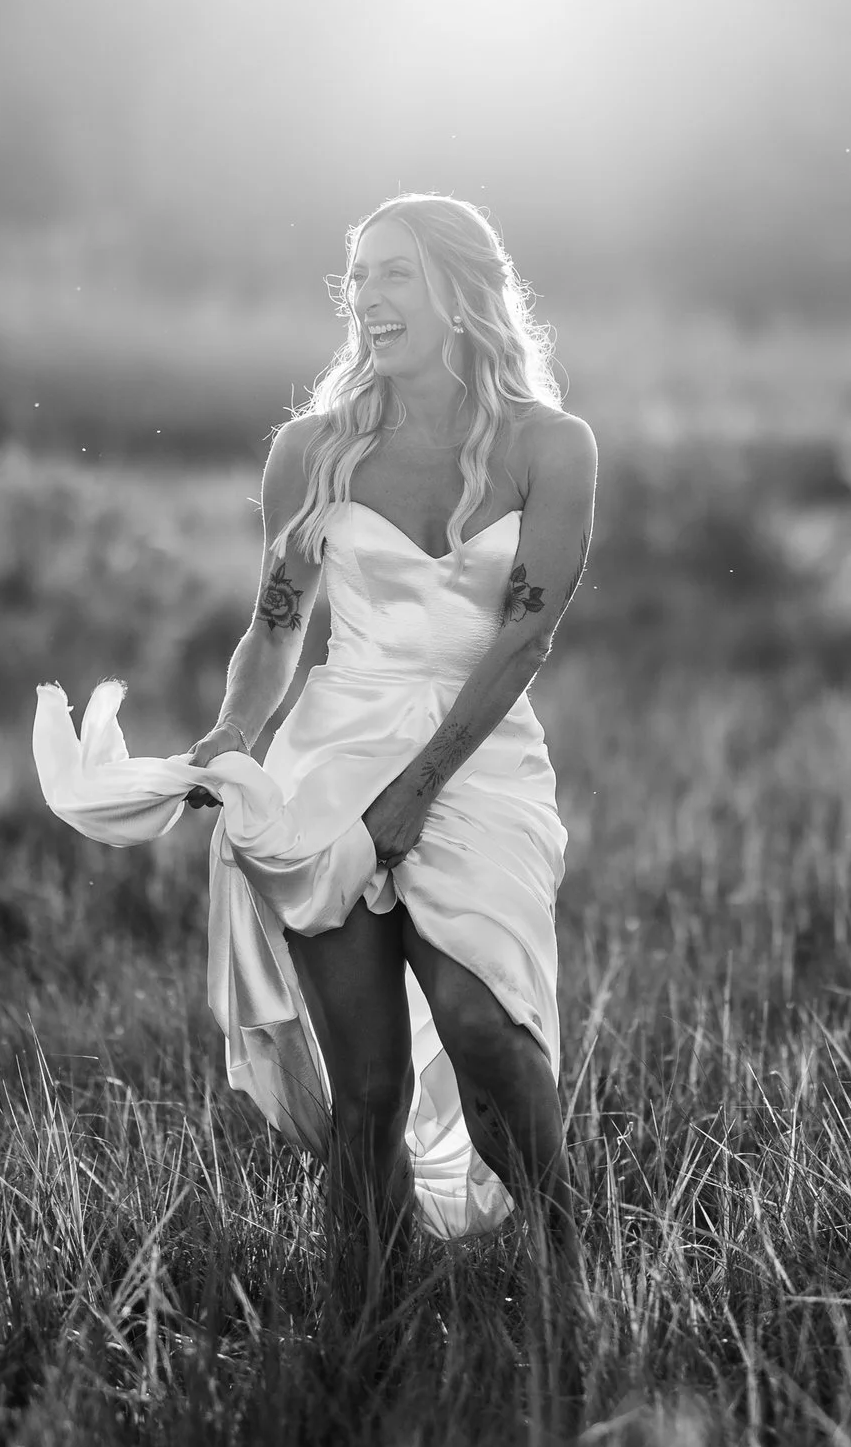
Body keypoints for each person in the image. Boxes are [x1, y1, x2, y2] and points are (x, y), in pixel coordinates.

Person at [185, 194, 596, 1293]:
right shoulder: (312, 450)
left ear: (462, 293)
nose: (369, 298)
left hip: (478, 756)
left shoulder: (551, 447)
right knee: (364, 1083)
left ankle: (568, 1264)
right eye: (358, 277)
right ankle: (365, 1320)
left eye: (396, 274)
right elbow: (274, 630)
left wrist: (415, 793)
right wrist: (232, 733)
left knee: (482, 1019)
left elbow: (525, 637)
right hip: (333, 749)